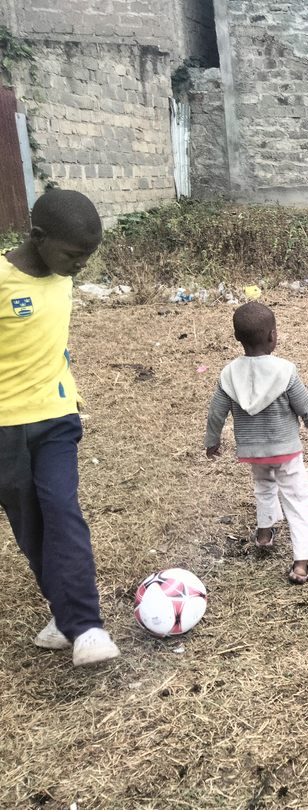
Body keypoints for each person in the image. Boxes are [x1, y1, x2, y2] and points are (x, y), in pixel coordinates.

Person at [0, 189, 120, 666]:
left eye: (88, 257)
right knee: (31, 528)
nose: (80, 266)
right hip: (5, 429)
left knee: (62, 509)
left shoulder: (61, 274)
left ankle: (86, 626)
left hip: (56, 418)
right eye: (73, 255)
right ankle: (65, 615)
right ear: (38, 237)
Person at [205, 302, 308, 584]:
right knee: (297, 500)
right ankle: (301, 565)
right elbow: (303, 404)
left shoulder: (229, 374)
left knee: (264, 487)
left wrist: (212, 440)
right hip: (286, 450)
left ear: (237, 337)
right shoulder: (284, 371)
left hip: (254, 451)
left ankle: (264, 534)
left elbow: (216, 412)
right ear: (273, 335)